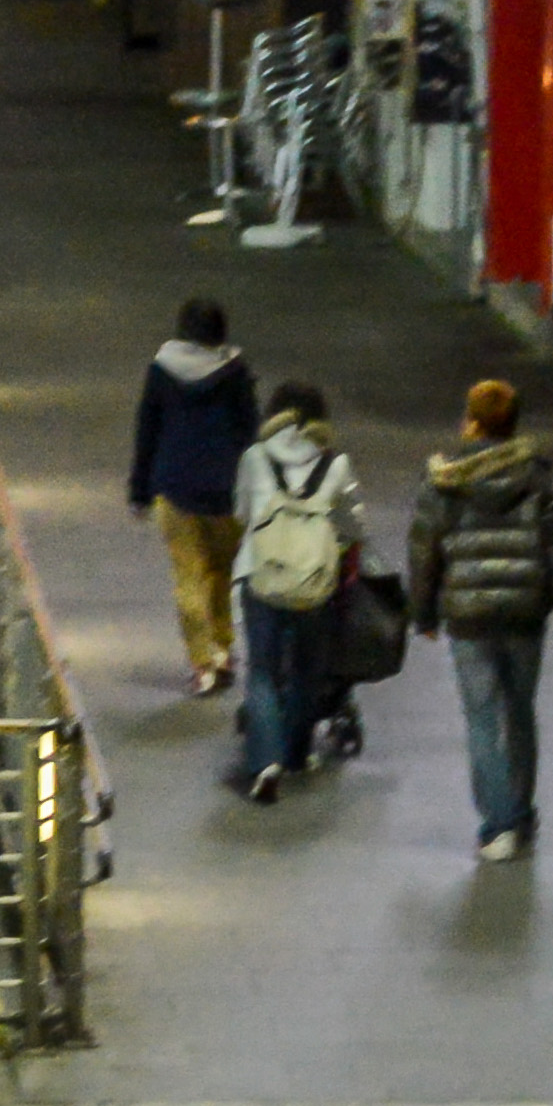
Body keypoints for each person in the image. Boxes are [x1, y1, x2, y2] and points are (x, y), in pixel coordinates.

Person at [415, 371, 553, 865]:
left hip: (468, 615)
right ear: (513, 426)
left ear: (472, 424)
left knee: (480, 718)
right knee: (519, 712)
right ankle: (519, 813)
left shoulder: (446, 483)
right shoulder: (541, 480)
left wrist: (423, 611)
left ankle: (497, 825)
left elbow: (425, 550)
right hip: (524, 615)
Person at [227, 378, 363, 803]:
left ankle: (264, 761)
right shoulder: (335, 464)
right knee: (307, 670)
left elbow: (241, 511)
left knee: (263, 670)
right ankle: (297, 752)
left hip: (261, 573)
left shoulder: (255, 457)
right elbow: (351, 526)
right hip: (314, 581)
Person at [128, 292, 263, 696]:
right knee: (221, 573)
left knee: (189, 576)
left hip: (175, 487)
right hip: (227, 491)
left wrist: (139, 489)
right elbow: (249, 432)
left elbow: (147, 430)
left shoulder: (161, 370)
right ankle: (223, 647)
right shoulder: (236, 371)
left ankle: (202, 662)